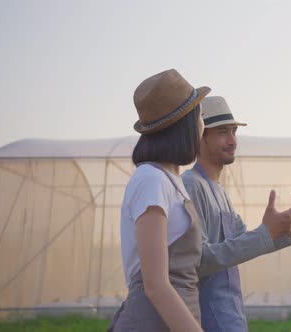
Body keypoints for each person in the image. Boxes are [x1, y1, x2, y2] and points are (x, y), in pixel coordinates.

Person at [182, 96, 291, 331]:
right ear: (199, 137)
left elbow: (246, 240)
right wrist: (268, 232)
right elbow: (199, 261)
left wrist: (285, 227)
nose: (232, 140)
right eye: (222, 132)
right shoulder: (191, 185)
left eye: (233, 131)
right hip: (208, 318)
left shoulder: (219, 191)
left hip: (231, 314)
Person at [109, 69, 208, 331]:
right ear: (184, 125)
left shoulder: (170, 181)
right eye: (200, 115)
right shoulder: (151, 180)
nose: (203, 123)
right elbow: (156, 285)